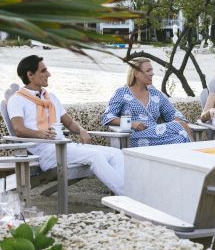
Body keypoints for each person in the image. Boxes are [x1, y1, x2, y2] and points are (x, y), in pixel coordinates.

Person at [8, 55, 124, 195]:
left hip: (64, 147)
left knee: (117, 154)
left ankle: (124, 195)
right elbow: (19, 129)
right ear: (30, 75)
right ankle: (128, 198)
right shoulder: (17, 100)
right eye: (44, 71)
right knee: (95, 156)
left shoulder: (51, 98)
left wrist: (81, 130)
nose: (49, 74)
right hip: (45, 152)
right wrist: (41, 134)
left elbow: (69, 122)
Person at [102, 58, 192, 147]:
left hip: (157, 136)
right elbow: (107, 117)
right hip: (134, 137)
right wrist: (131, 123)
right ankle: (196, 155)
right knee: (180, 127)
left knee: (180, 138)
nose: (152, 73)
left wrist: (177, 120)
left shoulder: (156, 94)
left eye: (152, 70)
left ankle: (192, 157)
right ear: (136, 73)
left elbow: (172, 113)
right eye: (148, 71)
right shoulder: (121, 93)